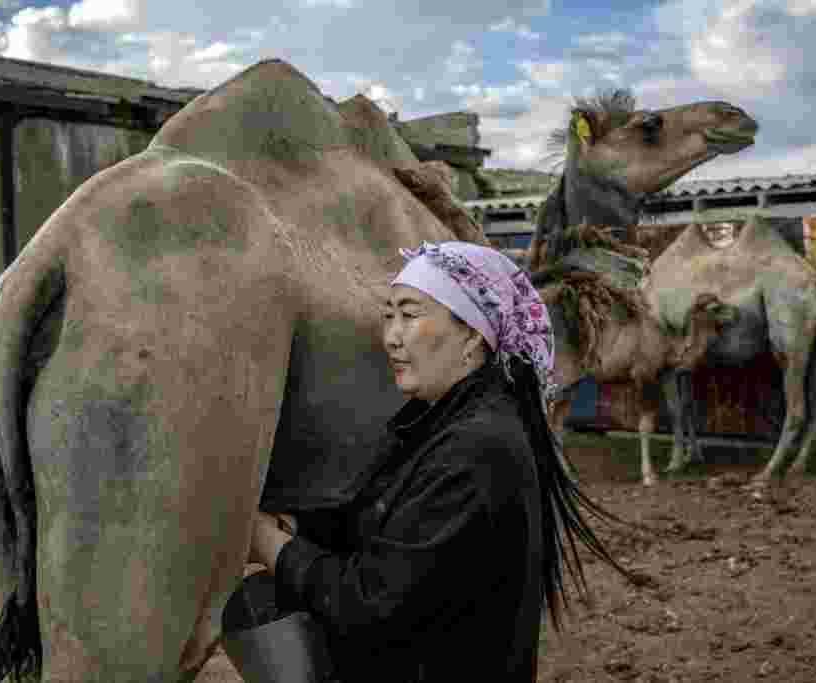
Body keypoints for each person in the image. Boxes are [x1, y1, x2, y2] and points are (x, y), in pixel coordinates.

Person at [247, 241, 629, 682]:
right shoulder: (440, 423)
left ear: (471, 335)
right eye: (388, 315)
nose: (391, 336)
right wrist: (305, 529)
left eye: (409, 315)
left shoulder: (477, 451)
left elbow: (368, 605)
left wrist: (273, 547)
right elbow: (391, 524)